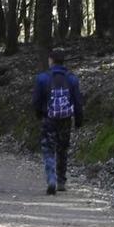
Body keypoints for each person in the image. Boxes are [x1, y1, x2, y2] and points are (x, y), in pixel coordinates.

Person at [32, 48, 84, 195]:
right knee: (63, 149)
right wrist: (78, 119)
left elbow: (36, 100)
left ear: (51, 60)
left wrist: (39, 114)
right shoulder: (72, 78)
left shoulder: (42, 78)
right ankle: (61, 180)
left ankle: (51, 178)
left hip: (49, 118)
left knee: (49, 149)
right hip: (66, 119)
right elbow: (78, 101)